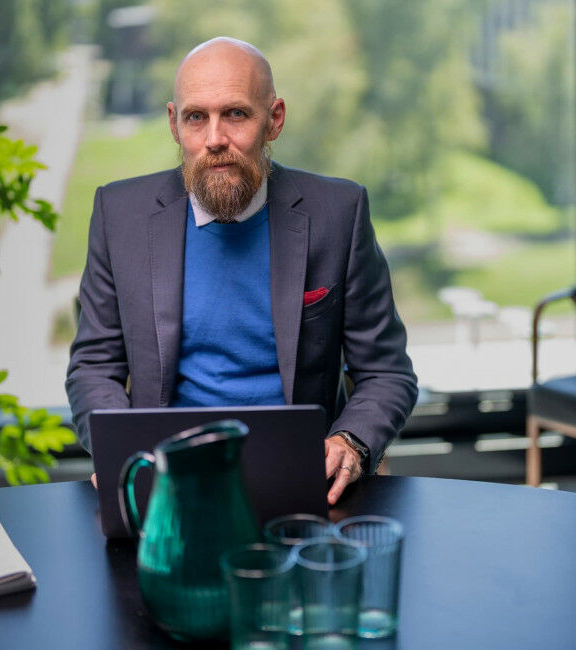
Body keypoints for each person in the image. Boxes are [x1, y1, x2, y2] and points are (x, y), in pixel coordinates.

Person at [66, 37, 417, 504]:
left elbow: (387, 371)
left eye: (235, 114)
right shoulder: (118, 213)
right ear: (174, 124)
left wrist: (349, 441)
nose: (214, 139)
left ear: (274, 119)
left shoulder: (340, 213)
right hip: (165, 482)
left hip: (302, 481)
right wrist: (119, 452)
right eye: (196, 117)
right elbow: (92, 367)